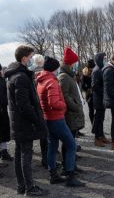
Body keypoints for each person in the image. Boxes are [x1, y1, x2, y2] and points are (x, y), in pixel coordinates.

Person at [4, 45, 48, 196]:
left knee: (19, 153)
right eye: (30, 57)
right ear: (24, 59)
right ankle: (29, 187)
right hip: (24, 123)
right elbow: (23, 104)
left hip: (19, 122)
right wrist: (36, 119)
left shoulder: (17, 74)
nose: (32, 60)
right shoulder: (21, 77)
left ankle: (21, 185)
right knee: (25, 155)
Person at [36, 56, 85, 187]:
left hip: (48, 118)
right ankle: (70, 176)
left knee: (52, 147)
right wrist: (63, 105)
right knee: (71, 145)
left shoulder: (41, 80)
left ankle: (53, 174)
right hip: (56, 118)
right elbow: (53, 102)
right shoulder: (51, 82)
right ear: (54, 68)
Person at [58, 47, 85, 170]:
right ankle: (67, 167)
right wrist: (75, 106)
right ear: (69, 64)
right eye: (74, 63)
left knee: (72, 141)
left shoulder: (70, 76)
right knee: (68, 142)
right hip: (70, 114)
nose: (76, 65)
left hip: (73, 113)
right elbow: (64, 95)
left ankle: (72, 164)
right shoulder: (64, 76)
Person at [29, 54, 48, 169]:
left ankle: (42, 156)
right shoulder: (43, 74)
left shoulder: (29, 73)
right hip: (41, 106)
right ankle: (46, 159)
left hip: (34, 106)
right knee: (44, 135)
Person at [92, 53, 110, 147]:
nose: (105, 60)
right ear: (99, 59)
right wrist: (105, 91)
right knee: (98, 119)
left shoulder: (101, 68)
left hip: (102, 99)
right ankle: (96, 138)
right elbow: (94, 86)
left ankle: (101, 135)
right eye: (104, 58)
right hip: (98, 99)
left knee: (101, 118)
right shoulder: (96, 70)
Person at [81, 59, 95, 132]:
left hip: (94, 93)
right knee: (91, 110)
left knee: (95, 111)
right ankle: (93, 125)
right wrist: (89, 88)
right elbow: (83, 85)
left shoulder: (94, 72)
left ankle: (95, 125)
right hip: (89, 94)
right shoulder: (85, 73)